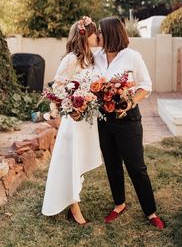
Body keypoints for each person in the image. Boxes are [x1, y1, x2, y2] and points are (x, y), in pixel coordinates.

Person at [94, 16, 165, 229]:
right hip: (103, 118)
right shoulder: (95, 56)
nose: (97, 34)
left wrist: (130, 102)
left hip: (127, 119)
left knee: (136, 167)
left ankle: (150, 211)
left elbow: (146, 85)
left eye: (100, 31)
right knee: (112, 163)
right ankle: (119, 204)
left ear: (111, 34)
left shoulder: (132, 57)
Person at [42, 17, 102, 225]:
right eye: (95, 32)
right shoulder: (70, 59)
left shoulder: (91, 58)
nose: (98, 36)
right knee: (71, 163)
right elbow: (57, 87)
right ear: (86, 34)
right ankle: (74, 207)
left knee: (79, 161)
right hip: (74, 121)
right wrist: (72, 106)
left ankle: (74, 200)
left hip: (87, 122)